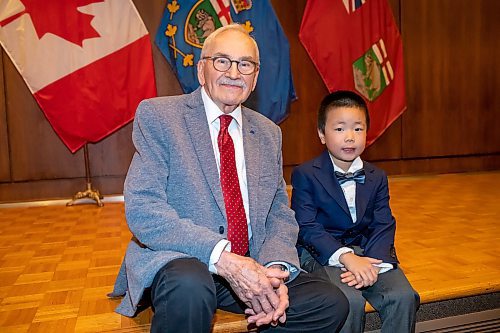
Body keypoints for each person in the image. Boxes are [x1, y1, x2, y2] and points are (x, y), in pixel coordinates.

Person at [109, 24, 348, 333]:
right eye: (222, 60)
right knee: (192, 288)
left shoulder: (267, 133)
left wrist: (275, 271)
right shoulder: (160, 117)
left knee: (329, 303)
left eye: (245, 64)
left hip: (251, 263)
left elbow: (278, 212)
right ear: (201, 70)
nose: (234, 73)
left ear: (255, 78)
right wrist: (222, 258)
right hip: (183, 260)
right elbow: (144, 209)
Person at [291, 90, 420, 333]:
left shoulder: (377, 176)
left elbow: (384, 224)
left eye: (358, 129)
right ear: (321, 134)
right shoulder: (305, 174)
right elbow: (306, 226)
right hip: (322, 254)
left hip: (368, 253)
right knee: (348, 302)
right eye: (339, 129)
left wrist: (374, 266)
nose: (349, 137)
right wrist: (346, 258)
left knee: (403, 296)